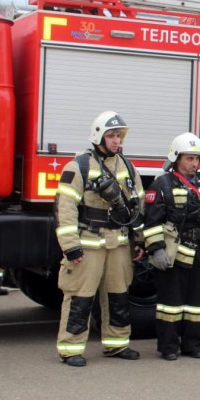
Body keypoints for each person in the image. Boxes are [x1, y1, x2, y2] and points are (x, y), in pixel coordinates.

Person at [54, 111, 145, 367]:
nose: (116, 141)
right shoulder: (79, 166)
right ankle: (70, 348)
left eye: (119, 135)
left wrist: (138, 240)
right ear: (98, 136)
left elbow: (138, 207)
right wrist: (71, 246)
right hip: (89, 242)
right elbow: (65, 208)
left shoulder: (127, 166)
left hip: (119, 242)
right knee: (80, 296)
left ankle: (116, 345)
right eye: (111, 135)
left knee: (118, 295)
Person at [143, 133, 200, 360]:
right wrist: (156, 249)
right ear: (176, 158)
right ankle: (168, 347)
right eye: (189, 159)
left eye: (197, 159)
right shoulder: (162, 184)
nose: (194, 164)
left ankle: (194, 345)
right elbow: (151, 221)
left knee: (197, 305)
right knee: (170, 304)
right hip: (174, 254)